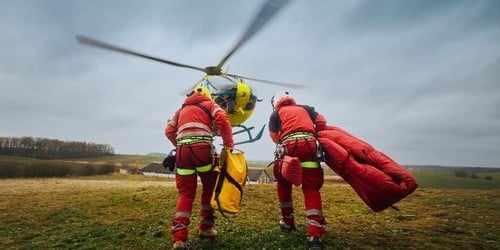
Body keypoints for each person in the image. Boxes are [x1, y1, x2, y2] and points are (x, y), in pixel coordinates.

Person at [165, 86, 234, 250]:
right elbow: (223, 118)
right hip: (203, 152)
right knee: (209, 188)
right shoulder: (209, 104)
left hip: (183, 154)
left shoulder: (180, 110)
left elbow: (169, 131)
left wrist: (179, 145)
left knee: (186, 194)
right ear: (207, 96)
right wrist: (229, 145)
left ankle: (179, 239)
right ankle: (206, 227)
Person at [268, 91, 327, 250]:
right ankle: (315, 234)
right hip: (311, 147)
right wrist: (315, 134)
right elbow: (321, 121)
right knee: (311, 189)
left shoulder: (276, 114)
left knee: (283, 183)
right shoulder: (306, 108)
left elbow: (274, 137)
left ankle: (288, 221)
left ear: (275, 103)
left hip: (289, 149)